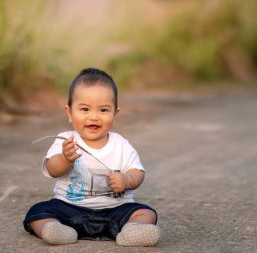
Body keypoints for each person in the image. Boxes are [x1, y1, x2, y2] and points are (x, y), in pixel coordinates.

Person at [23, 68, 160, 247]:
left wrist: (126, 180)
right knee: (38, 211)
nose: (94, 116)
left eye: (103, 110)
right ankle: (56, 230)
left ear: (115, 114)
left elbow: (138, 172)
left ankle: (132, 230)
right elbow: (52, 169)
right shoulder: (66, 140)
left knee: (147, 213)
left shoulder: (121, 144)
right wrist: (65, 158)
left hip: (114, 210)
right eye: (85, 109)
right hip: (69, 208)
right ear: (70, 113)